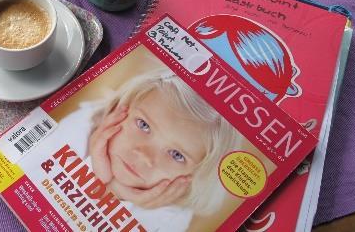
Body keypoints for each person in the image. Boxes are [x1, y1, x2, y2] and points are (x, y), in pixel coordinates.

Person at [55, 67, 241, 231]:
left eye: (176, 155)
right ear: (119, 109)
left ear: (196, 175)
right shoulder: (84, 125)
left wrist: (112, 192)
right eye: (144, 125)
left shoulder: (171, 217)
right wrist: (102, 184)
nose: (144, 156)